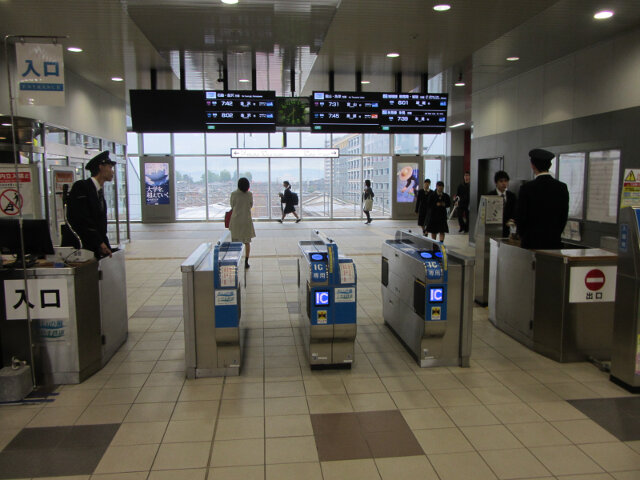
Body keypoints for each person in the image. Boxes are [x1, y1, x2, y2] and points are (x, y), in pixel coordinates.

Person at [61, 150, 116, 258]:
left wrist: (106, 246)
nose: (112, 172)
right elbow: (82, 219)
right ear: (101, 167)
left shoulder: (98, 192)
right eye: (110, 167)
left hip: (94, 248)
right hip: (80, 247)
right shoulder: (81, 187)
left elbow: (100, 225)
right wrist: (100, 243)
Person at [516, 149, 569, 249]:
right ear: (549, 165)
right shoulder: (561, 187)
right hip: (553, 242)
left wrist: (524, 236)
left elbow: (521, 217)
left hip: (531, 243)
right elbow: (563, 216)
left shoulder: (526, 188)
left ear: (533, 165)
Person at [229, 177, 256, 269]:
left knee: (235, 242)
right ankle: (246, 261)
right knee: (247, 242)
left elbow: (232, 206)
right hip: (246, 221)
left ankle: (236, 260)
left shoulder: (233, 194)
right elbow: (251, 205)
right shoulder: (249, 194)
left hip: (236, 220)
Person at [487, 171, 517, 238]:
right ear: (496, 183)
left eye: (506, 181)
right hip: (493, 228)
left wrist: (512, 219)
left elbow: (516, 210)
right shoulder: (490, 195)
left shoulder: (512, 196)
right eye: (501, 181)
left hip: (508, 228)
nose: (504, 183)